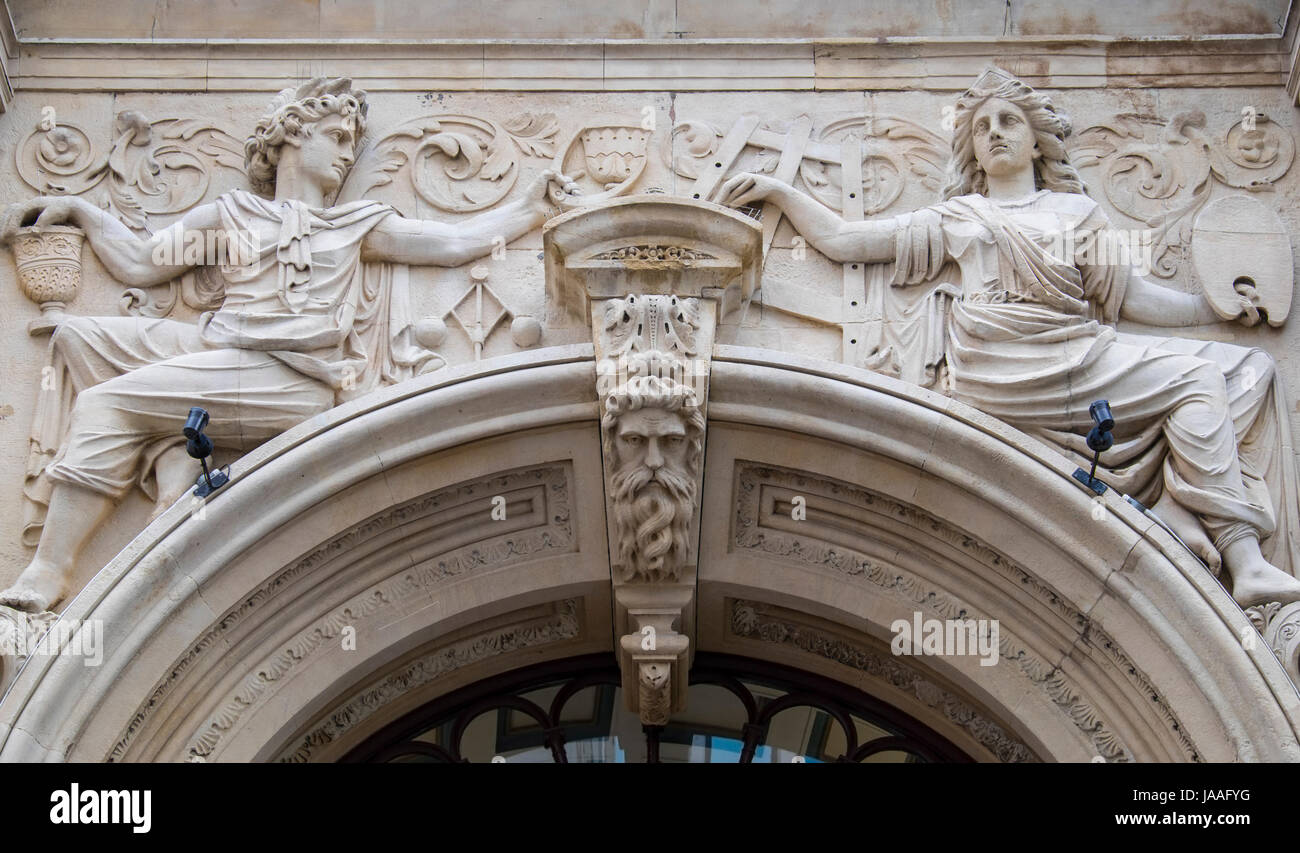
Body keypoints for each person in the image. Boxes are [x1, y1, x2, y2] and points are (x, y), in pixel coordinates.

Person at [713, 68, 1300, 608]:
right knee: (1198, 379)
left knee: (1250, 371)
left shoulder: (1077, 213)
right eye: (982, 127)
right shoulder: (959, 215)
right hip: (998, 366)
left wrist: (1213, 309)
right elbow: (845, 241)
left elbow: (1133, 298)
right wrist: (779, 192)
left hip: (1079, 353)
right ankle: (1245, 558)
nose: (994, 133)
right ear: (970, 148)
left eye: (1008, 121)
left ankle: (1181, 510)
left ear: (1036, 139)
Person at [0, 77, 577, 612]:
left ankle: (51, 569)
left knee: (105, 404)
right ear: (290, 137)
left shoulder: (354, 226)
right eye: (336, 136)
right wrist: (79, 209)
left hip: (289, 378)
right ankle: (170, 455)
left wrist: (531, 207)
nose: (348, 152)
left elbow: (453, 243)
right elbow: (139, 262)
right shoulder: (231, 214)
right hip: (217, 347)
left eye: (352, 140)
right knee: (77, 335)